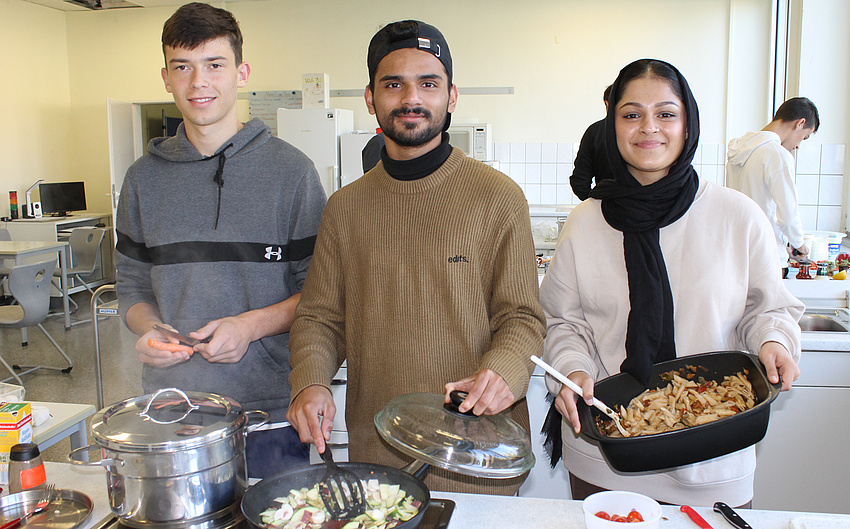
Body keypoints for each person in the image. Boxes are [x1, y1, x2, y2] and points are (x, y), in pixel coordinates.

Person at [287, 20, 546, 495]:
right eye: (393, 84)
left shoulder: (498, 197)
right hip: (379, 456)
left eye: (429, 83)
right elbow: (320, 317)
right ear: (370, 98)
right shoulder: (345, 208)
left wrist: (505, 371)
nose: (411, 98)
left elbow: (523, 316)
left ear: (451, 96)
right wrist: (311, 382)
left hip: (477, 452)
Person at [539, 59, 803, 508]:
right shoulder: (586, 223)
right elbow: (565, 322)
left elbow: (769, 310)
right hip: (606, 455)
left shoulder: (736, 216)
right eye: (631, 114)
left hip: (713, 459)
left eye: (666, 113)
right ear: (612, 124)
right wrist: (572, 370)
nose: (649, 128)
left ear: (688, 123)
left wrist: (774, 341)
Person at [114, 2, 326, 479]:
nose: (198, 83)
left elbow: (321, 294)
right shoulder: (142, 179)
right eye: (182, 67)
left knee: (276, 514)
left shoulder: (292, 174)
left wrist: (249, 326)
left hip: (269, 407)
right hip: (171, 405)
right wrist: (147, 329)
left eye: (214, 65)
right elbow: (131, 288)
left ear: (241, 72)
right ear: (165, 77)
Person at [726, 97, 819, 276]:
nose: (798, 145)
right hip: (766, 257)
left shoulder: (740, 149)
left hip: (738, 252)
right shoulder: (777, 155)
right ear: (800, 123)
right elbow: (788, 215)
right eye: (804, 137)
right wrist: (800, 245)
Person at [569, 85, 614, 201]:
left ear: (607, 103)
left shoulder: (595, 132)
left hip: (605, 208)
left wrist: (594, 203)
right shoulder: (642, 131)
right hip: (647, 209)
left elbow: (579, 180)